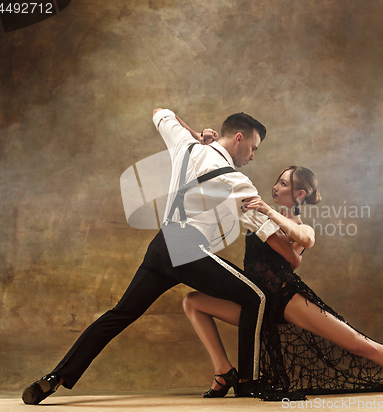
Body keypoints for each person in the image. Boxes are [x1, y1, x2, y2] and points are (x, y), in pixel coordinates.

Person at [22, 108, 294, 404]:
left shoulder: (186, 146)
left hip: (161, 246)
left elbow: (161, 113)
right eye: (253, 148)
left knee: (120, 314)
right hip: (186, 249)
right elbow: (271, 235)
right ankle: (246, 381)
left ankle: (54, 378)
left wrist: (195, 135)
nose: (253, 156)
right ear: (239, 139)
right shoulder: (236, 181)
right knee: (257, 297)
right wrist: (298, 246)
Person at [182, 166, 383, 399]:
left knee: (360, 345)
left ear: (299, 194)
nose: (275, 187)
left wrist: (268, 211)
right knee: (192, 302)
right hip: (255, 303)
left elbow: (306, 240)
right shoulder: (257, 219)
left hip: (285, 300)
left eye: (284, 184)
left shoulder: (297, 225)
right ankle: (224, 371)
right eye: (278, 181)